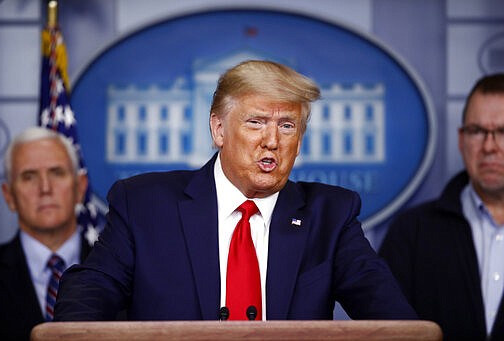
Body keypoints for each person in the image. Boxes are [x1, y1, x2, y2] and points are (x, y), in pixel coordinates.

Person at [55, 60, 416, 321]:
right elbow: (91, 290)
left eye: (287, 125)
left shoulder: (330, 214)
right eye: (255, 122)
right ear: (219, 130)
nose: (271, 141)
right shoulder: (145, 204)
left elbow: (391, 316)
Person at [379, 73, 504, 341]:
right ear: (462, 139)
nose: (489, 146)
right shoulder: (412, 232)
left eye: (503, 132)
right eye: (477, 131)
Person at [0, 127, 91, 340]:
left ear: (80, 188)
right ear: (8, 195)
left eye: (57, 173)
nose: (45, 188)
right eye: (29, 177)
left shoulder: (123, 274)